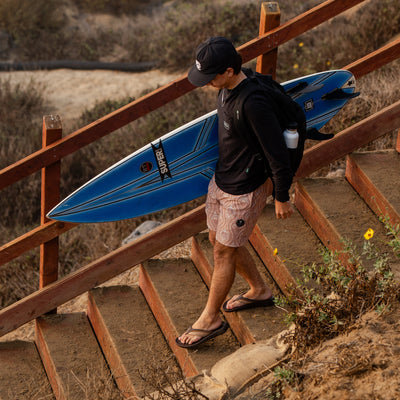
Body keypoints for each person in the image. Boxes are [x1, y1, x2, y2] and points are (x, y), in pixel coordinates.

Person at [176, 37, 295, 348]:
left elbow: (278, 155)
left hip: (244, 191)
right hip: (221, 181)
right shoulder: (229, 87)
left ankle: (210, 318)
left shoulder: (253, 103)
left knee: (223, 251)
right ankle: (258, 290)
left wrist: (281, 195)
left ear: (229, 70)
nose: (206, 84)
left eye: (211, 77)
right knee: (218, 241)